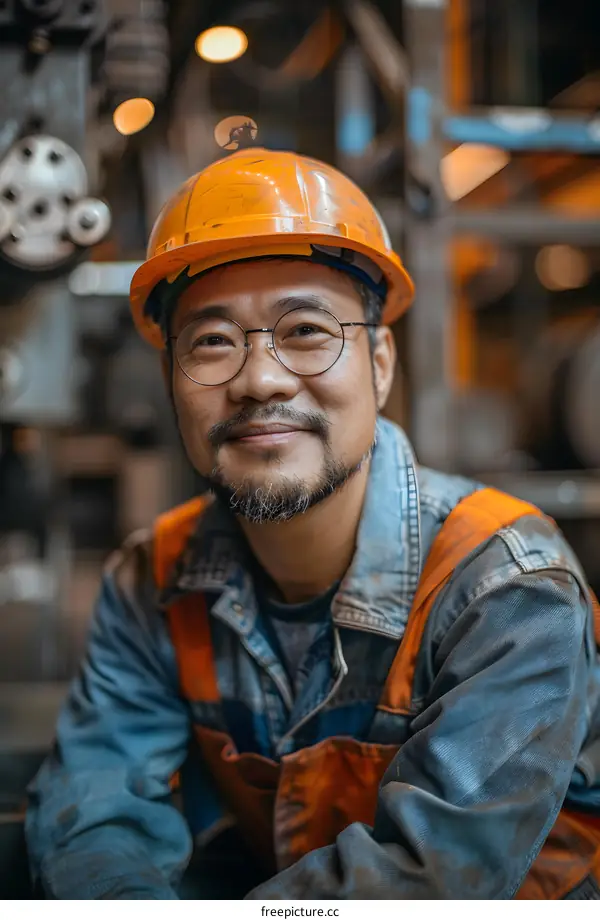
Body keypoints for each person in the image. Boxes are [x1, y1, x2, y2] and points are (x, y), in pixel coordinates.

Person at [26, 148, 600, 900]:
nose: (259, 379)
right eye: (212, 342)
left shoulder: (506, 590)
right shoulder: (151, 584)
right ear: (170, 382)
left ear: (381, 364)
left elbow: (428, 884)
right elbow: (94, 821)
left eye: (305, 331)